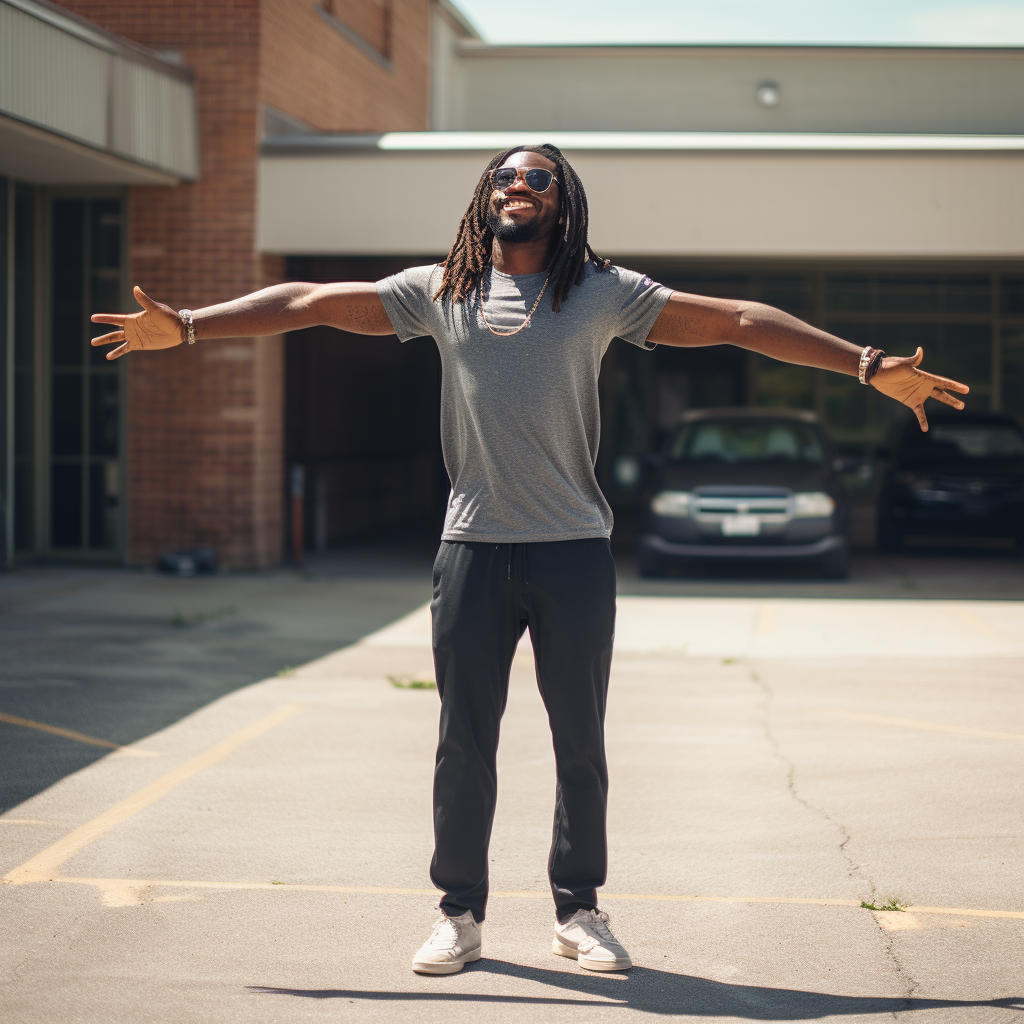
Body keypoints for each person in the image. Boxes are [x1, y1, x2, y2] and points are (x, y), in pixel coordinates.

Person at [92, 143, 968, 976]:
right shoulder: (439, 289)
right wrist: (194, 325)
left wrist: (866, 363)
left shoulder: (602, 291)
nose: (520, 184)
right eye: (505, 174)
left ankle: (579, 911)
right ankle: (458, 914)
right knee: (462, 744)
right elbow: (310, 301)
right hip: (471, 547)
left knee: (578, 743)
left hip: (574, 552)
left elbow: (739, 321)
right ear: (486, 196)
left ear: (562, 202)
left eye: (539, 178)